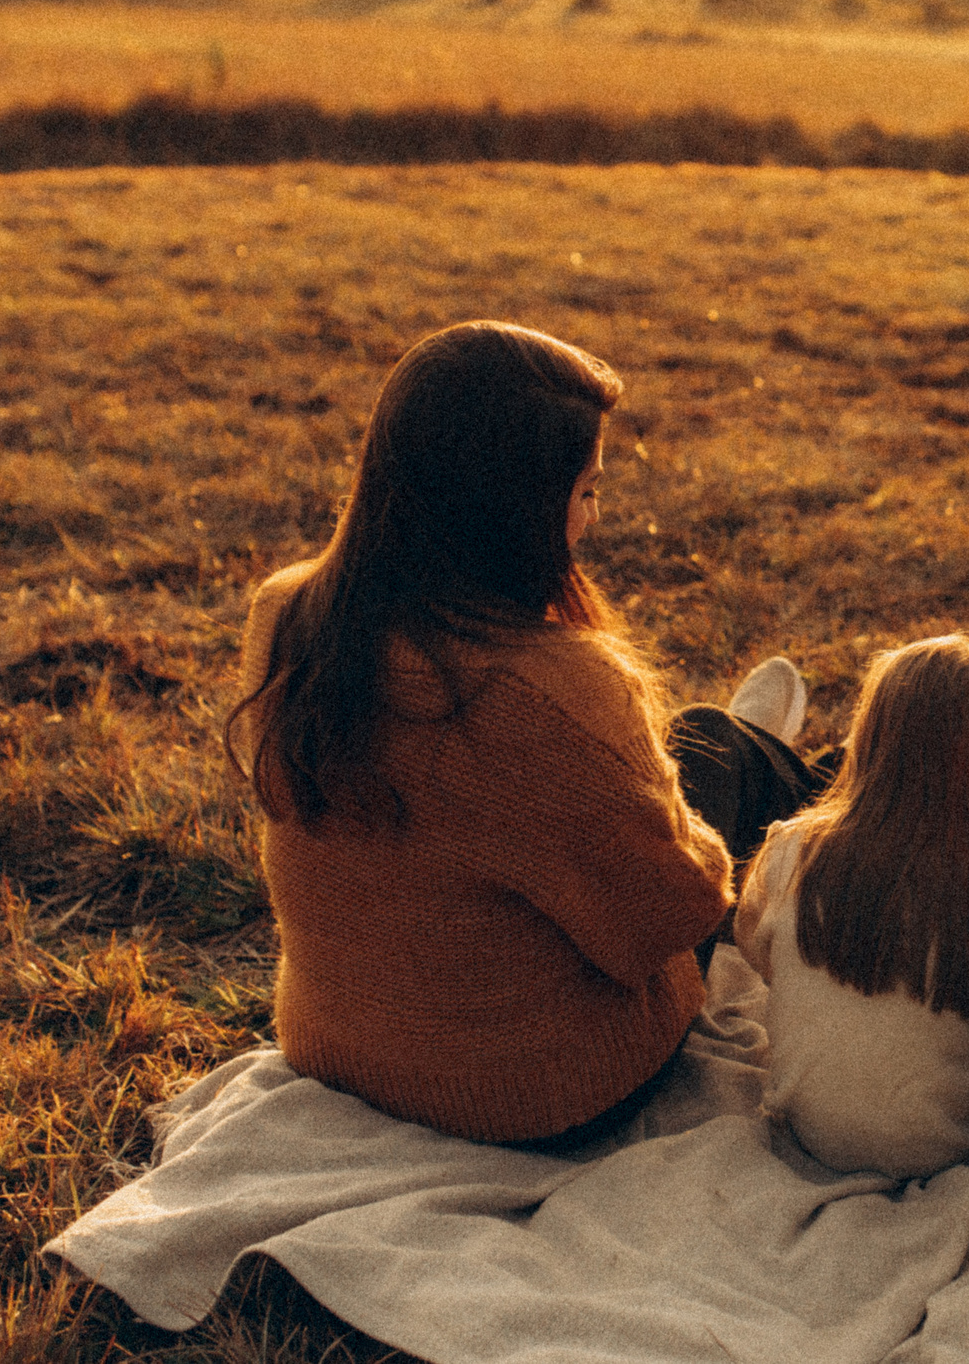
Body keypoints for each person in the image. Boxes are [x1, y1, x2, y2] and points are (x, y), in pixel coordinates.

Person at [227, 320, 827, 1150]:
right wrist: (695, 840)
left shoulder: (289, 613)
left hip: (339, 1040)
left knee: (700, 744)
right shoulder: (552, 694)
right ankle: (828, 781)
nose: (592, 515)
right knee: (726, 768)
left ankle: (746, 748)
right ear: (510, 512)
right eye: (584, 492)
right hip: (535, 1094)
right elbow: (667, 919)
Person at [734, 636, 969, 1179]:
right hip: (960, 1143)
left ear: (868, 735)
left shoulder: (792, 850)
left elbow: (753, 949)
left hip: (812, 1132)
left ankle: (760, 735)